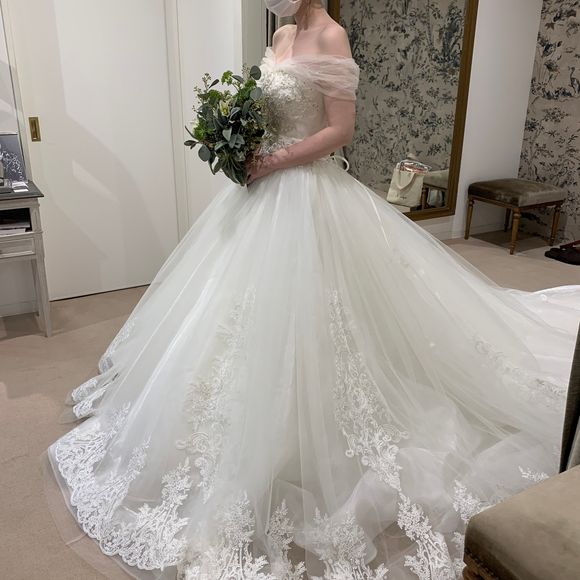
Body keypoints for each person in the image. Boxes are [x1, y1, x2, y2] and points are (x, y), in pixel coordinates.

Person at [45, 1, 580, 578]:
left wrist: (273, 160)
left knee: (324, 316)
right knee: (228, 314)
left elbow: (340, 130)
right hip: (259, 194)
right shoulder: (280, 34)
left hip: (306, 191)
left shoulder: (331, 37)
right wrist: (240, 143)